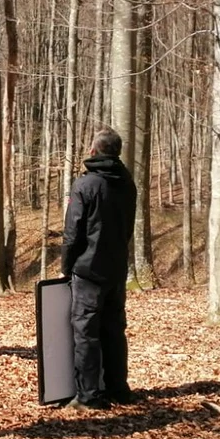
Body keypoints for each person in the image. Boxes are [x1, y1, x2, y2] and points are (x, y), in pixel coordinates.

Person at [61, 128, 138, 409]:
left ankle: (88, 395)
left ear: (94, 151)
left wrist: (65, 267)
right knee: (114, 330)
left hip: (88, 271)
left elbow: (73, 233)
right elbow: (127, 229)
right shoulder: (127, 182)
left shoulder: (85, 185)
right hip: (116, 270)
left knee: (86, 332)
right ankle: (119, 388)